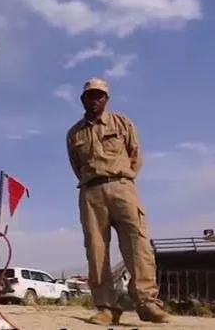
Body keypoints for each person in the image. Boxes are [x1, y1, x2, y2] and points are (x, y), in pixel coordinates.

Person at [65, 77, 170, 326]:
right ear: (83, 99)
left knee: (138, 244)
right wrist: (94, 181)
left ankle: (146, 303)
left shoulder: (122, 122)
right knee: (96, 250)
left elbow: (136, 155)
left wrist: (123, 178)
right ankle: (106, 307)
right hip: (91, 193)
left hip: (123, 187)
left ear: (106, 99)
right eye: (90, 96)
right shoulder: (74, 133)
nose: (95, 100)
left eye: (99, 95)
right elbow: (76, 166)